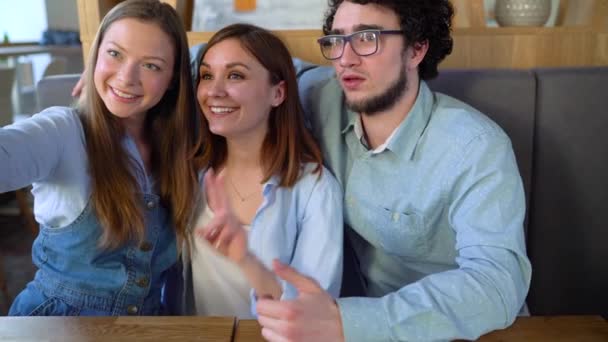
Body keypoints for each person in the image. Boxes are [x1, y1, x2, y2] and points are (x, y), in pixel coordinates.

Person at [253, 0, 532, 341]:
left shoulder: (475, 146)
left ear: (416, 49)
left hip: (472, 331)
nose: (345, 59)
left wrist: (350, 322)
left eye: (367, 38)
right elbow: (235, 56)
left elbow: (495, 282)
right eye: (337, 40)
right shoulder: (321, 96)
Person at [0, 0, 201, 316]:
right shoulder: (63, 130)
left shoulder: (177, 141)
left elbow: (219, 64)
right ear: (94, 55)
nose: (126, 78)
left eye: (151, 65)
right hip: (55, 330)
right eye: (115, 54)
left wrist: (113, 59)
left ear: (174, 78)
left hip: (147, 329)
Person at [165, 23, 343, 319]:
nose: (214, 91)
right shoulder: (190, 173)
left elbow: (312, 312)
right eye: (207, 75)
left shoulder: (315, 187)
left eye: (235, 75)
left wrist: (245, 259)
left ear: (278, 93)